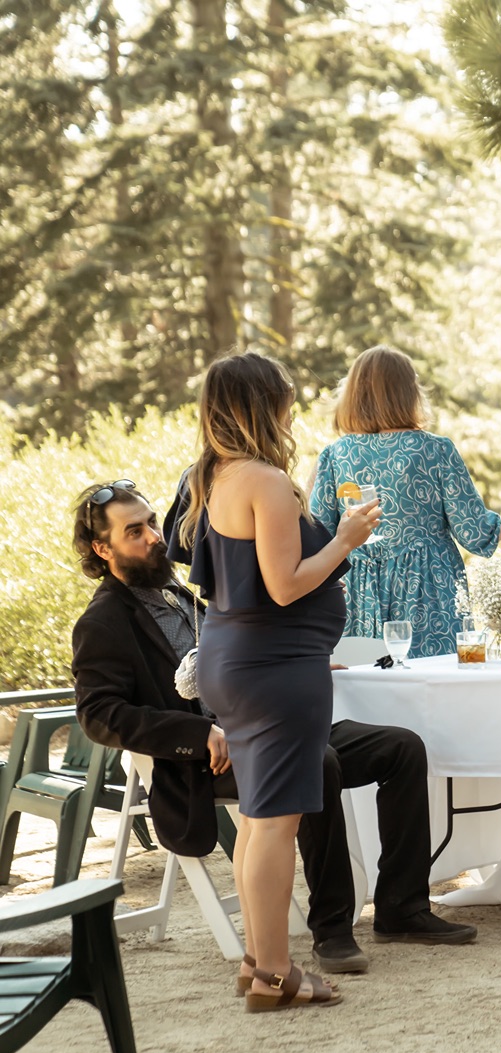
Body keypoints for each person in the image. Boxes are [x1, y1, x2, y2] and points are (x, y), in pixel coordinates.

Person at [74, 482, 475, 984]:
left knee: (400, 748)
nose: (155, 537)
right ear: (101, 548)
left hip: (264, 720)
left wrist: (297, 659)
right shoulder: (103, 620)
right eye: (135, 531)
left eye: (153, 522)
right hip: (206, 761)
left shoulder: (182, 594)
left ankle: (401, 908)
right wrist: (197, 732)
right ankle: (332, 929)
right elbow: (99, 713)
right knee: (316, 760)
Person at [174, 351, 381, 1012]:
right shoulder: (263, 479)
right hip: (272, 663)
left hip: (234, 656)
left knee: (260, 820)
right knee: (275, 822)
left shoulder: (212, 477)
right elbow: (286, 584)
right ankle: (275, 972)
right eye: (285, 398)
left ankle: (257, 964)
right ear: (262, 406)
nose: (292, 408)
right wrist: (345, 538)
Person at [310, 346, 501, 658]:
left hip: (357, 591)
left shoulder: (335, 455)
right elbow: (471, 529)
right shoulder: (435, 451)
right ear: (410, 393)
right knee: (434, 688)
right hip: (429, 589)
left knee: (364, 686)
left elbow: (318, 535)